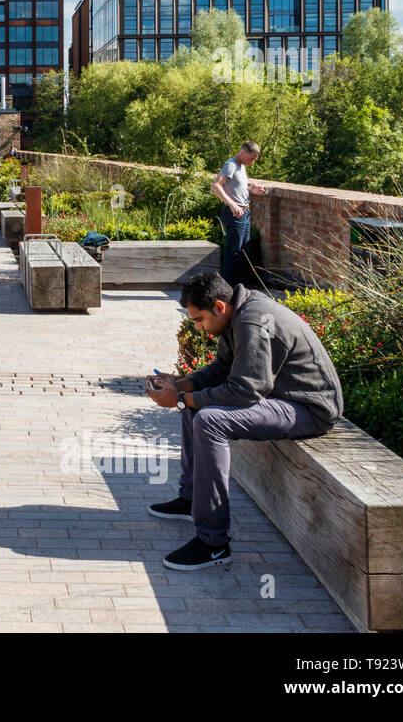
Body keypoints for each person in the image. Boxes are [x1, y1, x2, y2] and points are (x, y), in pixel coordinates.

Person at [145, 273, 343, 571]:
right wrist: (182, 385)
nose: (198, 328)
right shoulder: (237, 313)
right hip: (280, 398)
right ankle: (191, 499)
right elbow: (224, 370)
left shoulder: (253, 322)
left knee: (209, 419)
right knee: (196, 405)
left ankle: (213, 543)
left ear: (219, 307)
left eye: (199, 320)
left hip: (308, 408)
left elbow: (245, 390)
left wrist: (181, 399)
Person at [212, 140, 267, 286]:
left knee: (244, 252)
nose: (253, 162)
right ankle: (227, 289)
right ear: (243, 153)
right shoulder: (231, 165)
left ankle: (241, 288)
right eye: (252, 158)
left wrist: (251, 190)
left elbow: (235, 188)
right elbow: (216, 185)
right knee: (234, 253)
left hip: (244, 214)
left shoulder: (241, 166)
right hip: (235, 214)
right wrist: (232, 204)